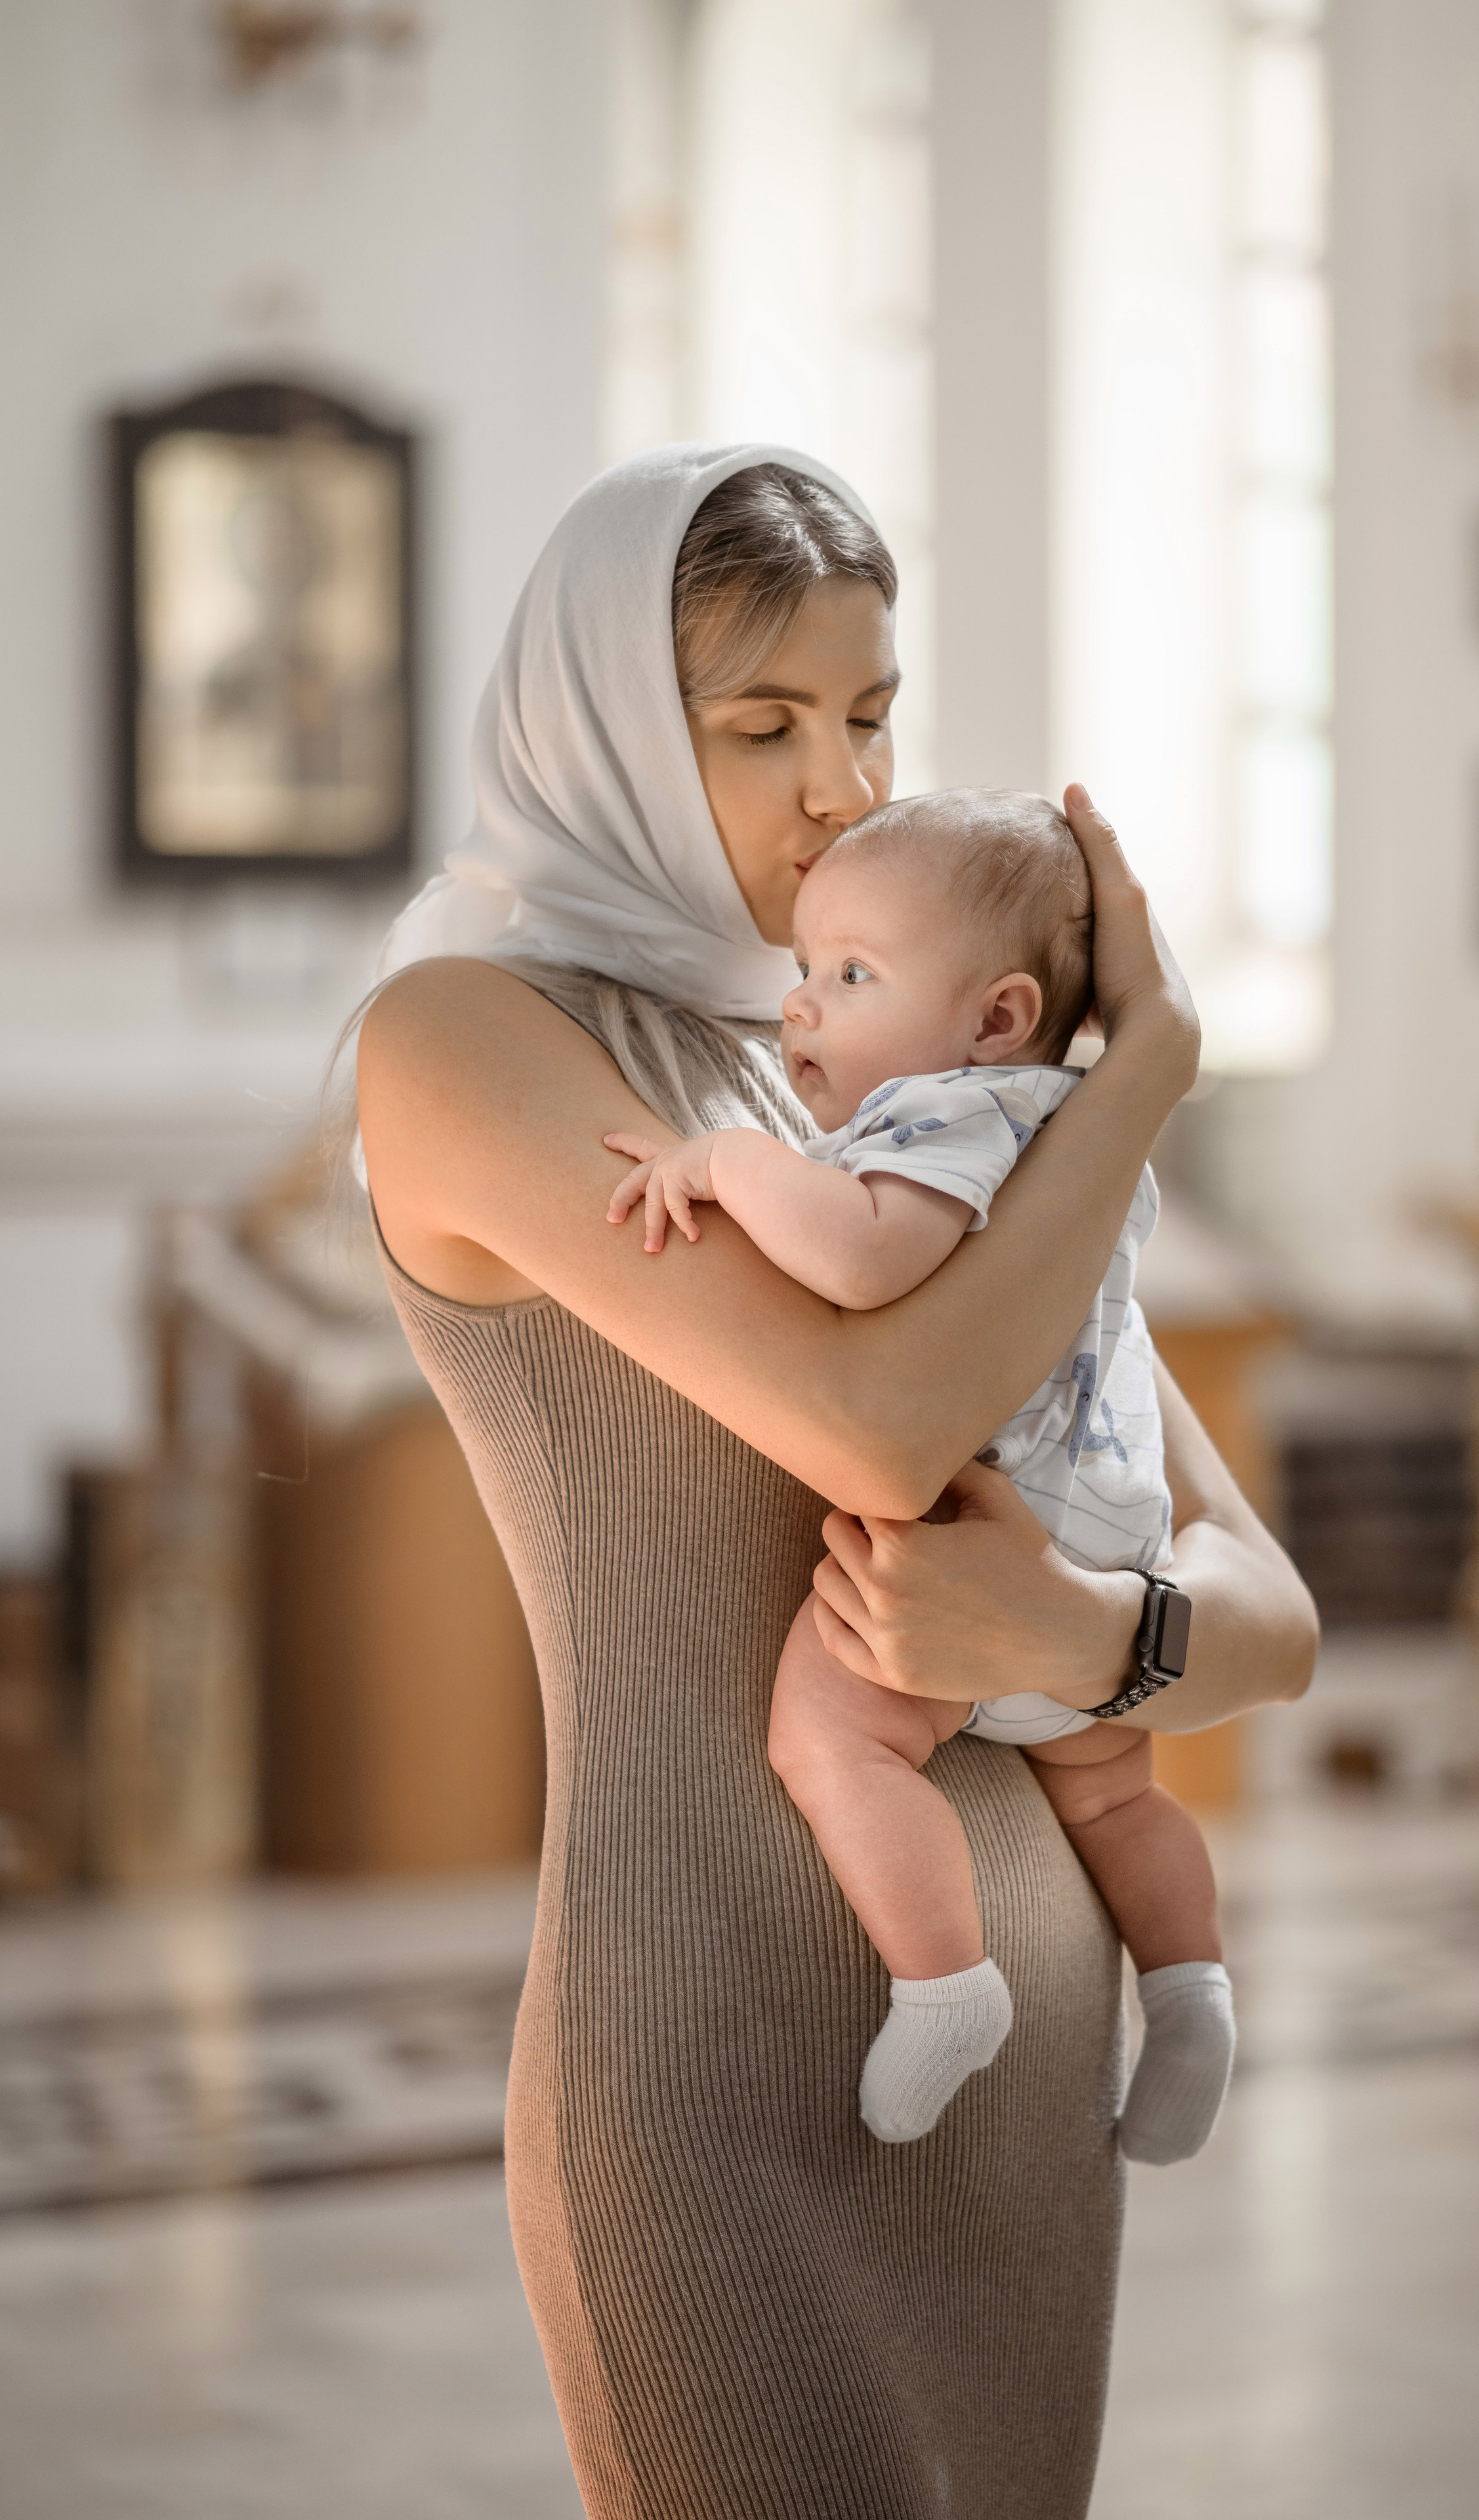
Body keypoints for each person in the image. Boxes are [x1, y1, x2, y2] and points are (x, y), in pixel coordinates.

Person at [355, 444, 1318, 2520]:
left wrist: (1077, 1636)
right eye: (763, 723)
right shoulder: (468, 1040)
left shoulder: (898, 1080)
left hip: (1025, 2100)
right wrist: (1127, 1090)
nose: (841, 787)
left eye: (871, 712)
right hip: (712, 2072)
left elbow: (1275, 1621)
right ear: (602, 718)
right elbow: (881, 1427)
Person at [602, 786, 1234, 2162]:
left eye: (849, 975)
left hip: (986, 1519)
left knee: (833, 1741)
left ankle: (944, 1983)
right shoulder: (1079, 1126)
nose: (802, 1011)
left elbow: (863, 1257)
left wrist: (727, 1161)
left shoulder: (954, 1114)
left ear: (995, 1019)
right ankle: (1188, 1991)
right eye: (801, 972)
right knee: (1115, 1794)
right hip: (1109, 1534)